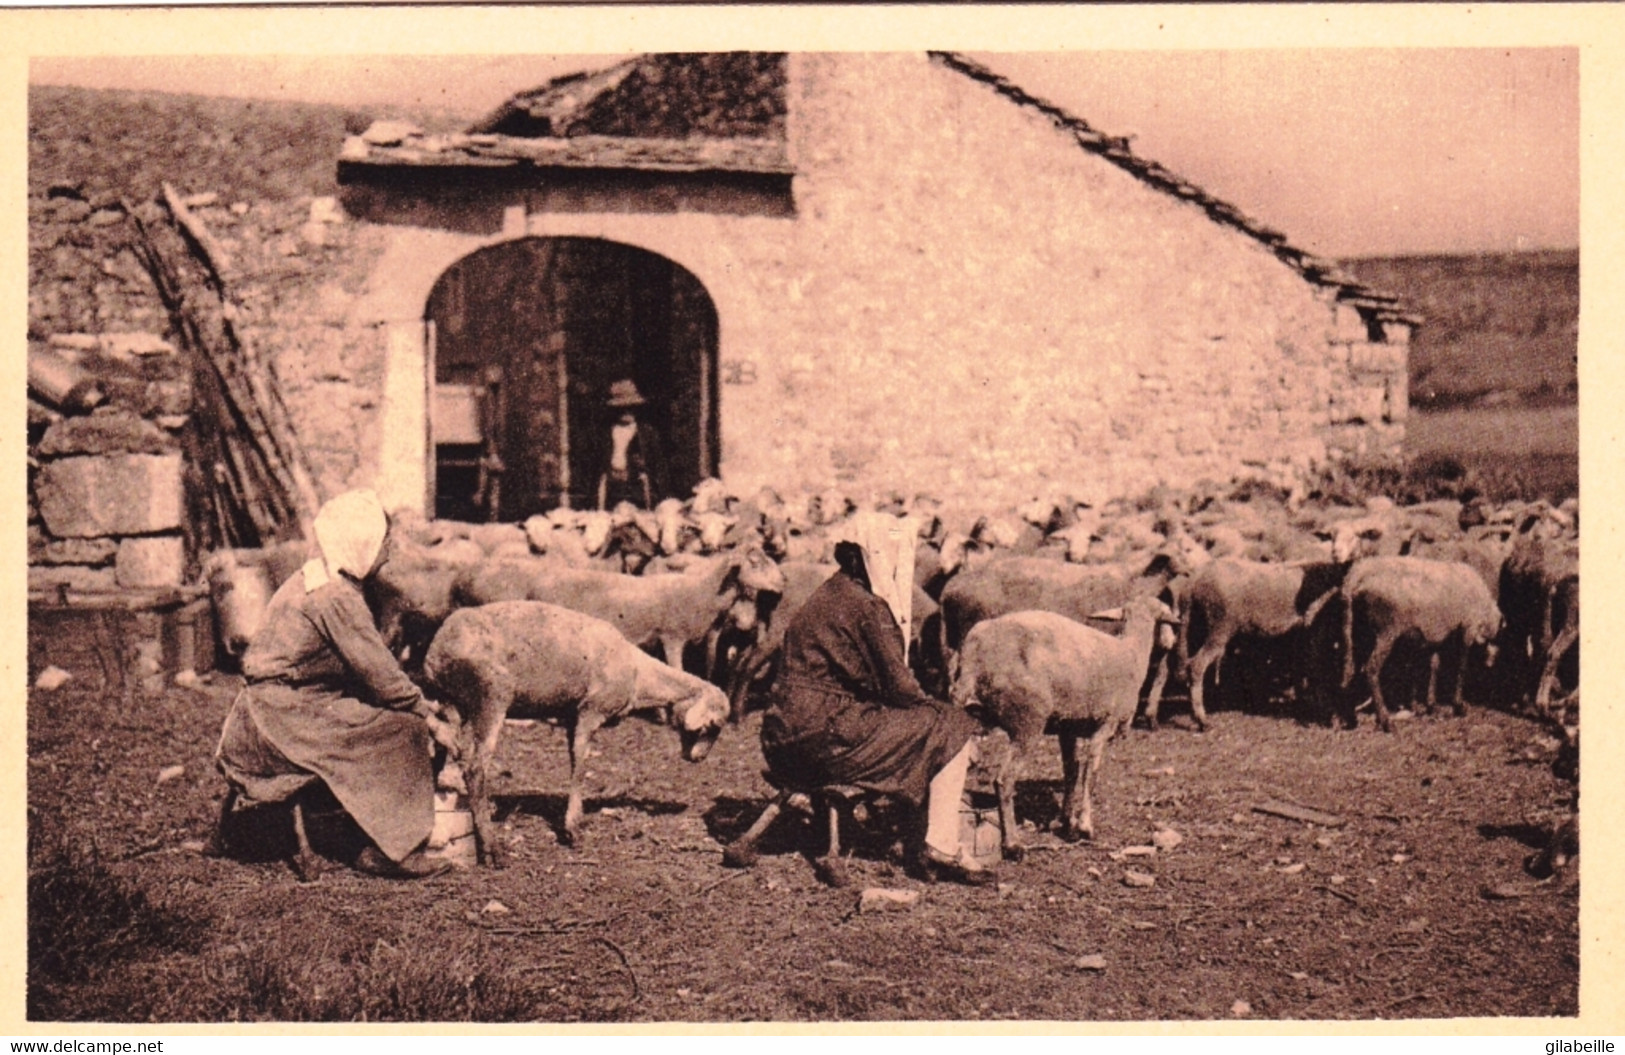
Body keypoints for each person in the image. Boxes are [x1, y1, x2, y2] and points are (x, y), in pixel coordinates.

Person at [212, 490, 462, 880]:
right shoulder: (337, 596)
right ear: (360, 542)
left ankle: (368, 823)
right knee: (403, 729)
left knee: (377, 715)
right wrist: (429, 717)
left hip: (264, 710)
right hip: (282, 722)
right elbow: (381, 674)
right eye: (384, 541)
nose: (389, 551)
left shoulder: (314, 575)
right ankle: (392, 850)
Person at [759, 512, 994, 885]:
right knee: (953, 725)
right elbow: (899, 688)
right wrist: (936, 708)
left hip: (782, 734)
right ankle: (942, 843)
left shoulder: (829, 593)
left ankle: (915, 827)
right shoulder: (867, 606)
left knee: (925, 724)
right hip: (825, 735)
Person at [595, 378, 668, 511]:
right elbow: (597, 465)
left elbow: (659, 467)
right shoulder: (606, 433)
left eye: (631, 408)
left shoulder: (646, 433)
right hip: (613, 490)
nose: (627, 412)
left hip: (637, 490)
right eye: (622, 408)